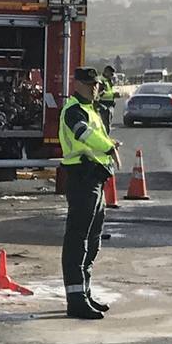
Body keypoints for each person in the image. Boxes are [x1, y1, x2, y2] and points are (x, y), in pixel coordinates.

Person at [59, 67, 121, 320]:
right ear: (78, 84)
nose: (95, 88)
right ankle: (75, 300)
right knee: (78, 239)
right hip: (81, 178)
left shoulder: (92, 110)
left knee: (92, 239)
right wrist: (108, 146)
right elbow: (83, 134)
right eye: (90, 84)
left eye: (96, 84)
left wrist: (109, 148)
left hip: (95, 178)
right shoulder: (73, 110)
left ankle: (84, 292)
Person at [97, 65, 118, 131]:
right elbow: (100, 94)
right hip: (103, 105)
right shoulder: (101, 81)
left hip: (110, 104)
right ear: (106, 72)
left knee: (108, 123)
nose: (112, 75)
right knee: (105, 125)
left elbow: (110, 90)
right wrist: (113, 95)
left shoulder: (108, 81)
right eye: (111, 73)